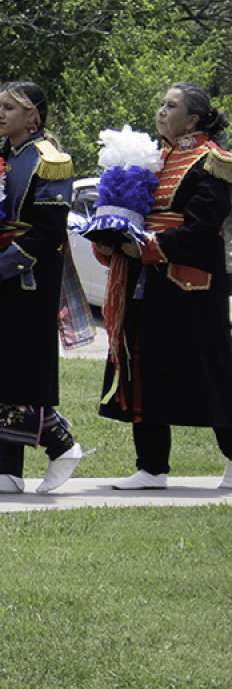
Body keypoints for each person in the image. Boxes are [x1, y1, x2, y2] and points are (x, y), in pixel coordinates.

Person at [0, 82, 87, 494]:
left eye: (9, 108)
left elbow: (48, 232)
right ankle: (9, 470)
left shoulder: (50, 161)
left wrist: (0, 265)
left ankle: (62, 445)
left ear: (33, 117)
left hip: (27, 280)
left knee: (18, 369)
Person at [93, 83, 232, 490]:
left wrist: (149, 247)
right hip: (144, 282)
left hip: (191, 287)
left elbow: (203, 229)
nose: (161, 111)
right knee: (142, 367)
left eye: (171, 106)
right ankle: (151, 466)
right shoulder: (152, 159)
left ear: (193, 119)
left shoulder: (215, 161)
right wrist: (111, 236)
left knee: (209, 372)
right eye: (160, 104)